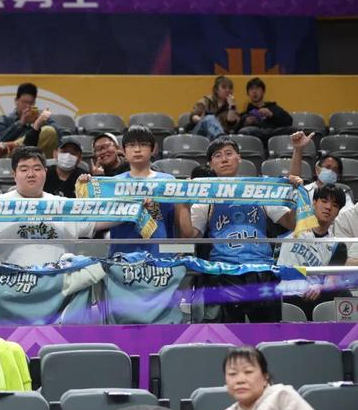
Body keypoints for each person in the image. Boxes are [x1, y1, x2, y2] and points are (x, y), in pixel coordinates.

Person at [178, 137, 302, 323]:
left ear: (239, 157)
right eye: (218, 156)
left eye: (229, 153)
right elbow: (189, 237)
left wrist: (295, 193)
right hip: (223, 273)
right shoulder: (205, 198)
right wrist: (183, 204)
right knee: (224, 336)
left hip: (261, 271)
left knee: (267, 334)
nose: (224, 159)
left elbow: (292, 223)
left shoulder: (260, 190)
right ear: (211, 164)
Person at [0, 146, 114, 266]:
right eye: (24, 169)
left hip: (59, 282)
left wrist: (100, 192)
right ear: (14, 175)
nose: (31, 174)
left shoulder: (64, 205)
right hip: (11, 283)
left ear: (45, 172)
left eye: (37, 169)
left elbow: (107, 218)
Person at [84, 125, 182, 258]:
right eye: (131, 145)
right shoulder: (113, 184)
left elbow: (183, 232)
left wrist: (186, 201)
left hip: (161, 258)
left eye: (143, 144)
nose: (137, 149)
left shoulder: (169, 182)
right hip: (122, 257)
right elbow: (93, 221)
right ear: (123, 150)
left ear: (153, 149)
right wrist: (87, 189)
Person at [277, 185, 353, 320]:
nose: (328, 207)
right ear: (314, 203)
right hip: (287, 294)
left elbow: (332, 281)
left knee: (344, 293)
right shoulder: (294, 228)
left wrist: (320, 287)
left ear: (337, 212)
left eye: (335, 205)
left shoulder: (337, 246)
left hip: (314, 296)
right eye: (324, 201)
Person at [214, 346, 318, 410]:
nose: (240, 380)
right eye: (232, 374)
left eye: (248, 372)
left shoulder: (282, 396)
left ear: (265, 377)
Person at [0, 83, 61, 158]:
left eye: (31, 103)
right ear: (16, 101)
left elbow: (61, 135)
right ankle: (12, 147)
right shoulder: (6, 119)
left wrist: (39, 122)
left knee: (49, 130)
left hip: (40, 156)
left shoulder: (41, 118)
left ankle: (11, 146)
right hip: (15, 158)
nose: (28, 106)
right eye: (24, 102)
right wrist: (20, 123)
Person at [237, 77, 293, 145]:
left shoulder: (273, 107)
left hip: (273, 135)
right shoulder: (246, 113)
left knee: (294, 130)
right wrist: (245, 123)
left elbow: (289, 121)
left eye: (257, 88)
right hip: (255, 138)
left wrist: (271, 114)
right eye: (251, 89)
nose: (254, 91)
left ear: (263, 91)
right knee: (245, 130)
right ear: (248, 93)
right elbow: (236, 130)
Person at [187, 75, 239, 139]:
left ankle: (220, 139)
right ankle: (221, 139)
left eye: (230, 88)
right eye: (224, 87)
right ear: (216, 90)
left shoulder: (231, 106)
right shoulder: (206, 101)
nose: (227, 90)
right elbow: (193, 116)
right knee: (209, 118)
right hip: (200, 135)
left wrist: (232, 106)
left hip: (217, 135)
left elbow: (231, 123)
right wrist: (206, 121)